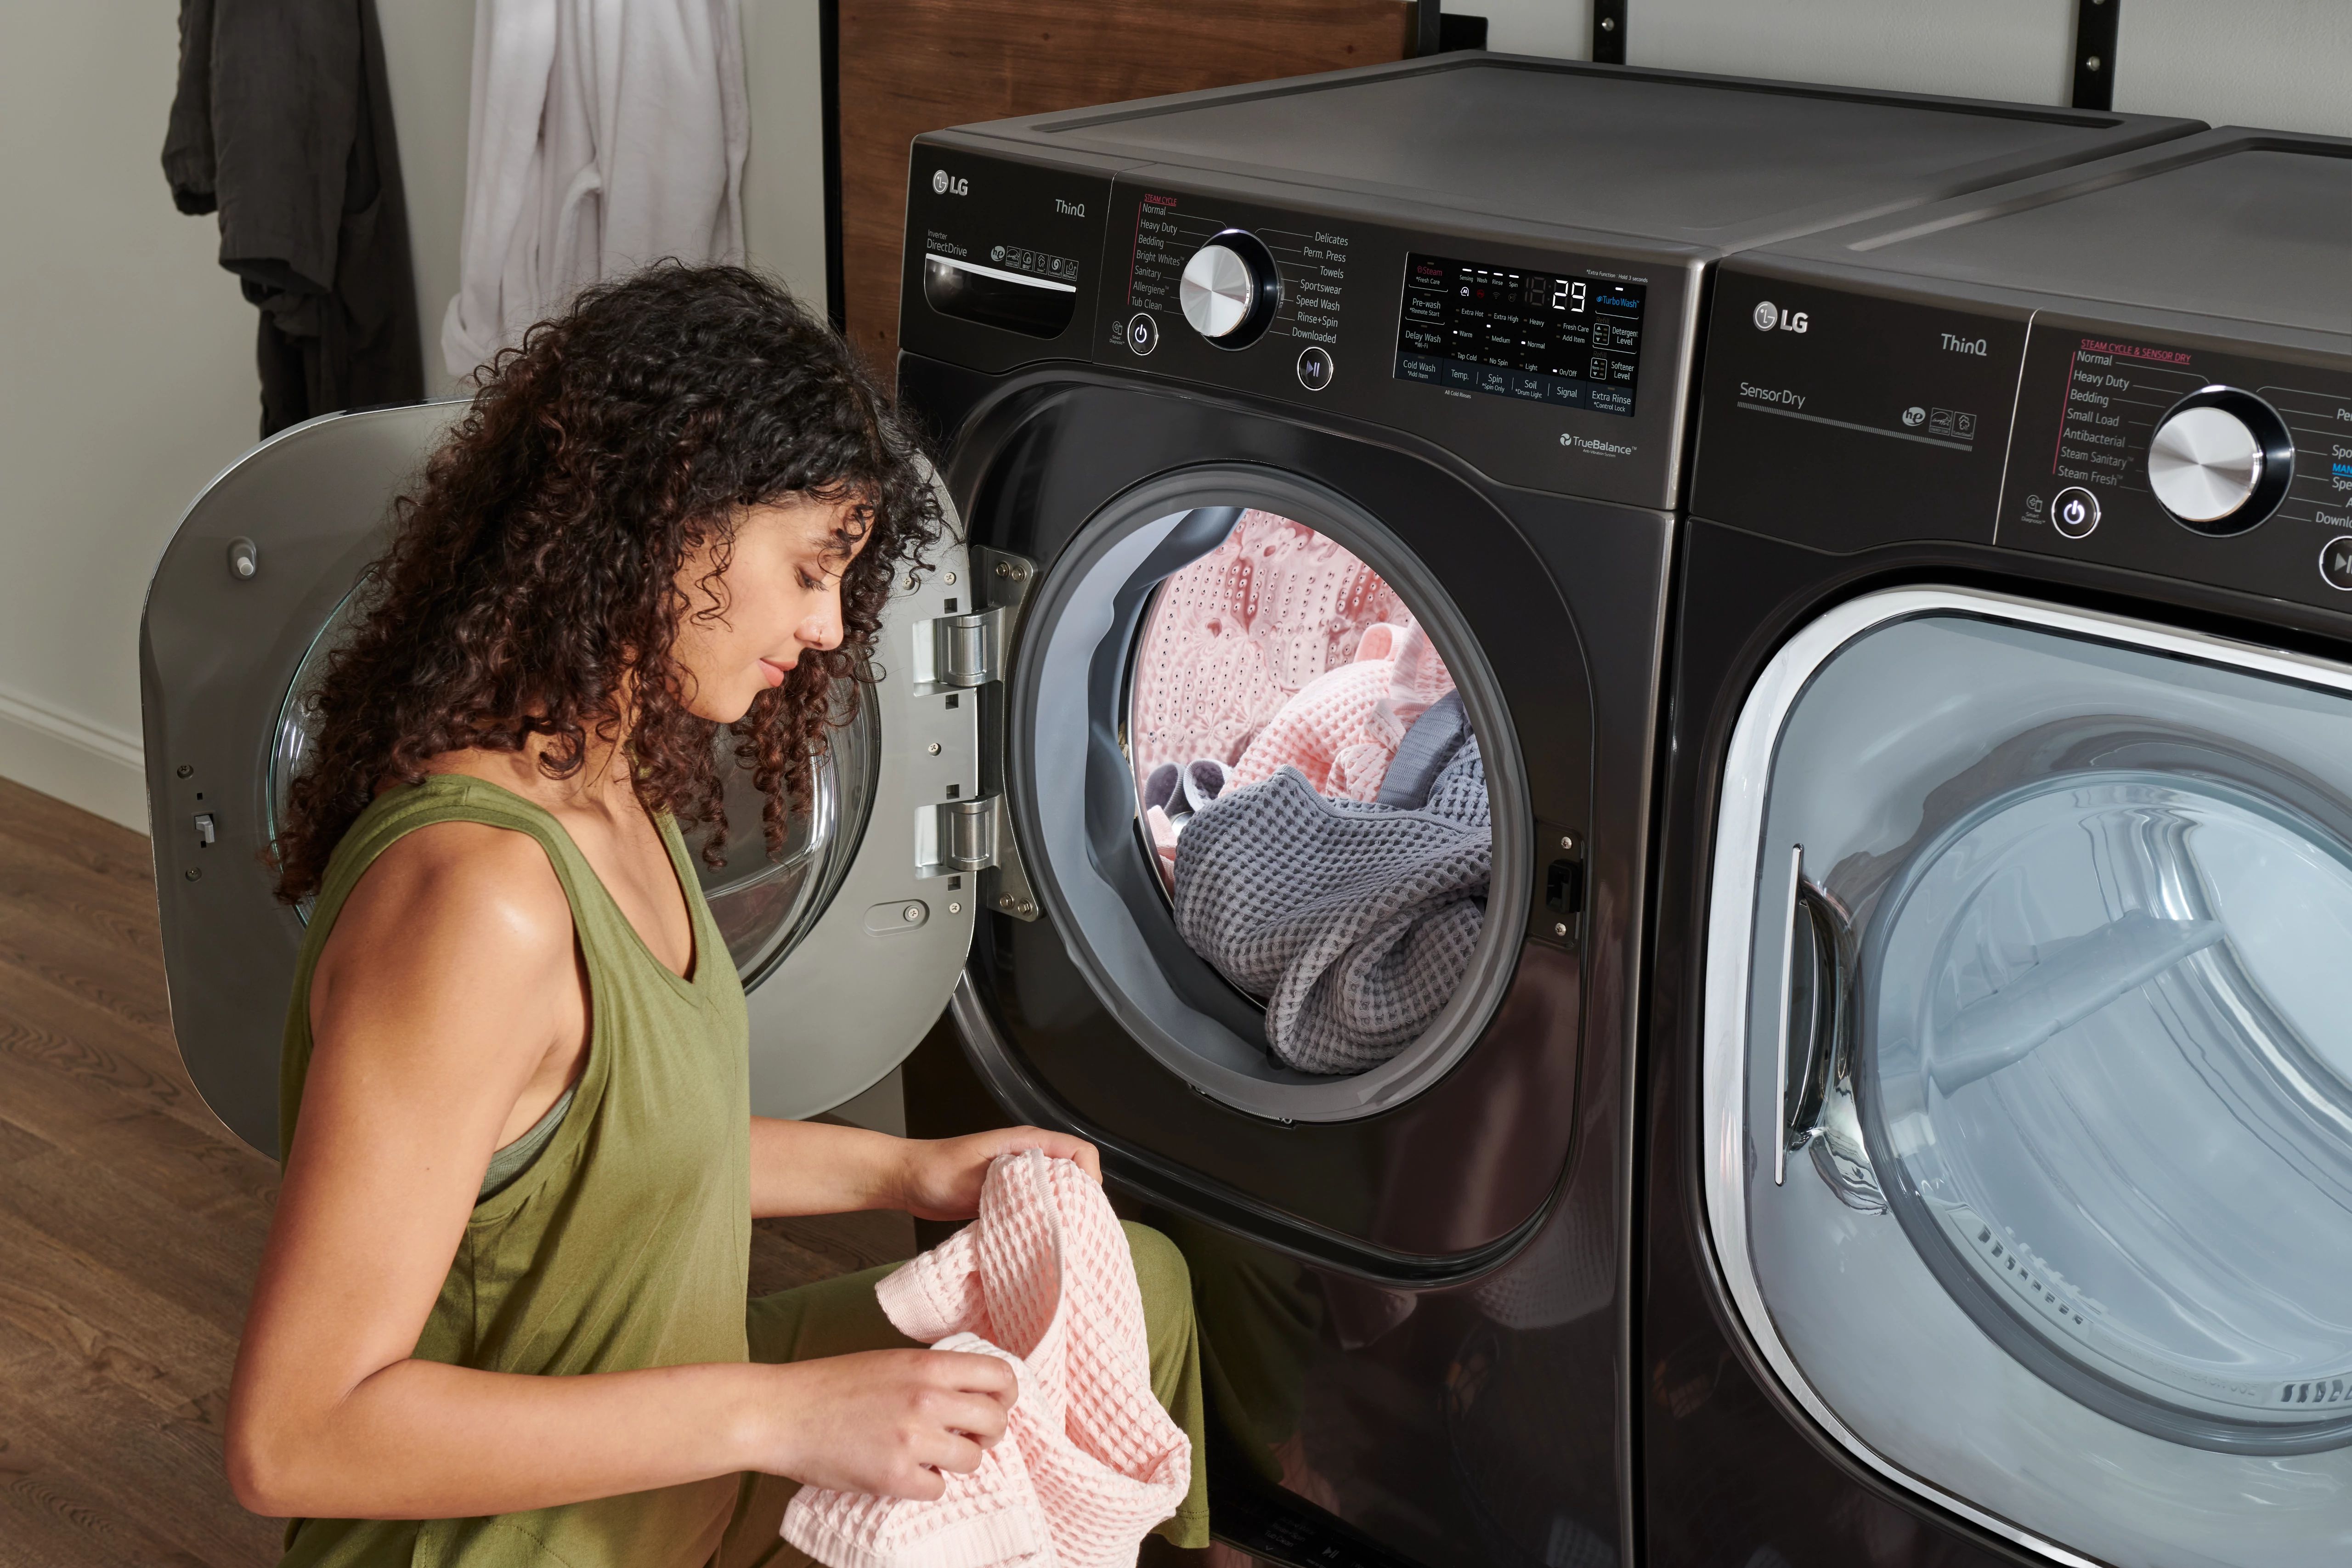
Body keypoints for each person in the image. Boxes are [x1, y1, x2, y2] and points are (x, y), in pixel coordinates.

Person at [231, 264, 1211, 1568]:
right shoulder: (480, 904)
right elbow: (294, 1438)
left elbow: (631, 1145)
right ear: (668, 524)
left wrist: (911, 1172)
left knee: (1135, 1286)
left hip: (684, 1488)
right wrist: (783, 1415)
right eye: (810, 570)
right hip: (524, 1546)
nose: (821, 628)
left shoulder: (611, 784)